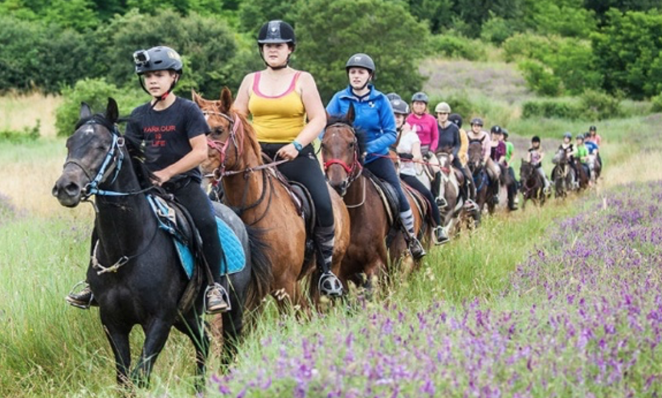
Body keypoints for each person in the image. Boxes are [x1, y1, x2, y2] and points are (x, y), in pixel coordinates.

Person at [66, 46, 230, 314]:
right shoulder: (140, 114)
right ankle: (92, 284)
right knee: (103, 223)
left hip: (183, 186)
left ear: (174, 77)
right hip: (147, 189)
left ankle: (215, 286)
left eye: (159, 75)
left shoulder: (188, 110)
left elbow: (200, 151)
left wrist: (167, 172)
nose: (153, 81)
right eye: (148, 76)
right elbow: (130, 154)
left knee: (207, 223)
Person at [231, 20, 342, 295]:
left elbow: (319, 119)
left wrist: (296, 144)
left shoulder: (302, 79)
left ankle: (326, 271)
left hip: (295, 153)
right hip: (256, 156)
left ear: (289, 49)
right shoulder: (250, 81)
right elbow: (237, 118)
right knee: (217, 202)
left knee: (323, 203)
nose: (272, 50)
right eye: (267, 46)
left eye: (278, 45)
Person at [326, 53, 426, 259]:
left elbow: (390, 133)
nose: (356, 76)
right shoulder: (338, 99)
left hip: (374, 158)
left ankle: (410, 237)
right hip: (343, 160)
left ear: (369, 76)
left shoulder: (380, 100)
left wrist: (369, 147)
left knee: (398, 193)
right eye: (353, 72)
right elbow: (323, 126)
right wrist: (332, 146)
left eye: (361, 72)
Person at [392, 98, 449, 245]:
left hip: (406, 174)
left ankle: (438, 227)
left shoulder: (411, 136)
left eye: (398, 116)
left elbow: (417, 155)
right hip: (388, 173)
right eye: (392, 115)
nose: (395, 119)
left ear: (404, 118)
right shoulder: (385, 133)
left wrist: (409, 156)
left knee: (428, 195)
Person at [406, 92, 445, 207]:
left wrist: (431, 151)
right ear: (412, 105)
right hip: (411, 151)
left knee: (436, 169)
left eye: (422, 104)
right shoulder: (408, 119)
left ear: (425, 106)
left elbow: (435, 137)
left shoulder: (431, 119)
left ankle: (437, 196)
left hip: (426, 150)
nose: (419, 106)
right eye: (417, 104)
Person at [436, 103, 476, 209]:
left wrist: (453, 155)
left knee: (465, 175)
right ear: (437, 114)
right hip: (436, 156)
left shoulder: (454, 128)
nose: (442, 116)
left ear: (448, 114)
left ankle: (467, 198)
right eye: (440, 113)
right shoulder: (434, 125)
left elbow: (458, 144)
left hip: (450, 156)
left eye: (444, 113)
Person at [500, 129, 518, 210]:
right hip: (498, 165)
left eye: (501, 135)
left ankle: (513, 198)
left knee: (512, 180)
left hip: (507, 166)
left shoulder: (509, 144)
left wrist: (508, 163)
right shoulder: (495, 143)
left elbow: (512, 155)